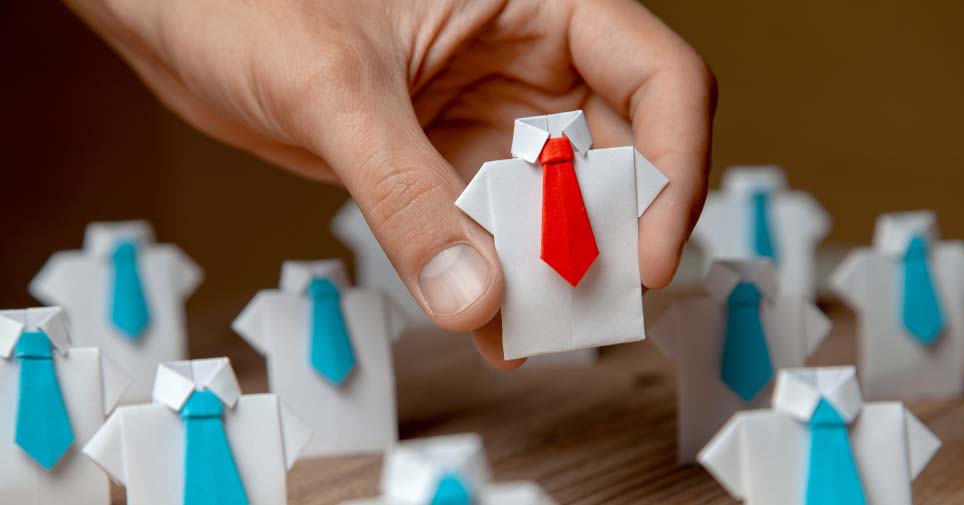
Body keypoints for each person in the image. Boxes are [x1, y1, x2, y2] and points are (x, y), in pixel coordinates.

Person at [66, 0, 717, 368]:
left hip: (581, 289)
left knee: (650, 235)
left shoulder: (599, 175)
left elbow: (650, 188)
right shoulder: (501, 182)